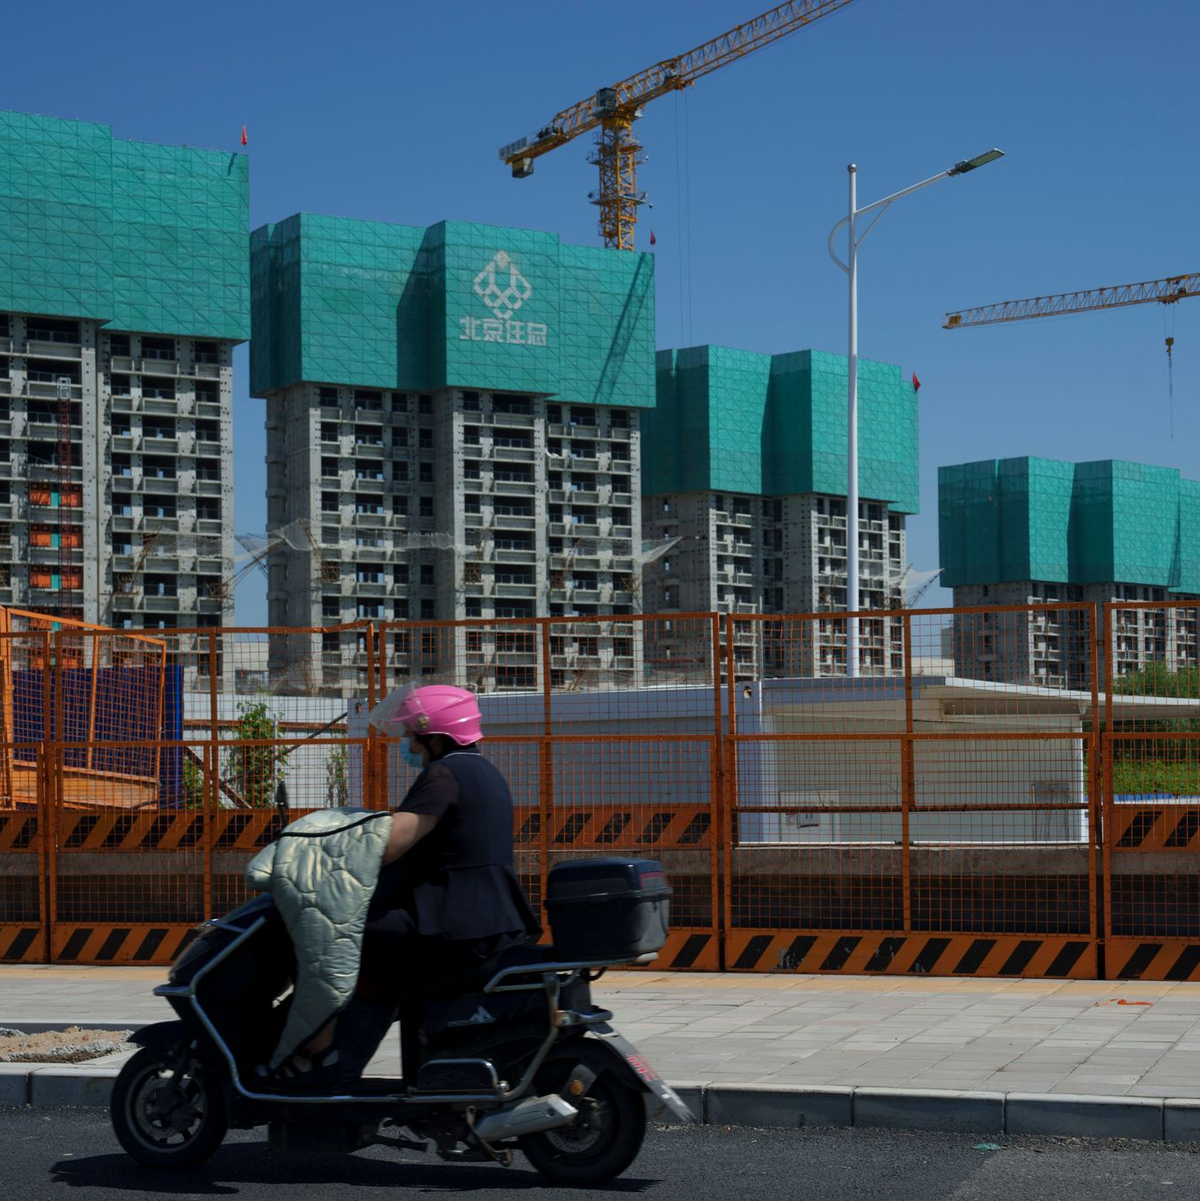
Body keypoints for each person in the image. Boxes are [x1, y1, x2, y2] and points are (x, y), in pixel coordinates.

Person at [274, 683, 539, 1087]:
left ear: (433, 734)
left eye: (411, 736)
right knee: (377, 958)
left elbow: (393, 842)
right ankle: (343, 1064)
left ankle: (316, 1050)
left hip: (450, 926)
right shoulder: (486, 772)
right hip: (490, 922)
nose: (408, 745)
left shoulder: (444, 773)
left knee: (324, 934)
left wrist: (335, 852)